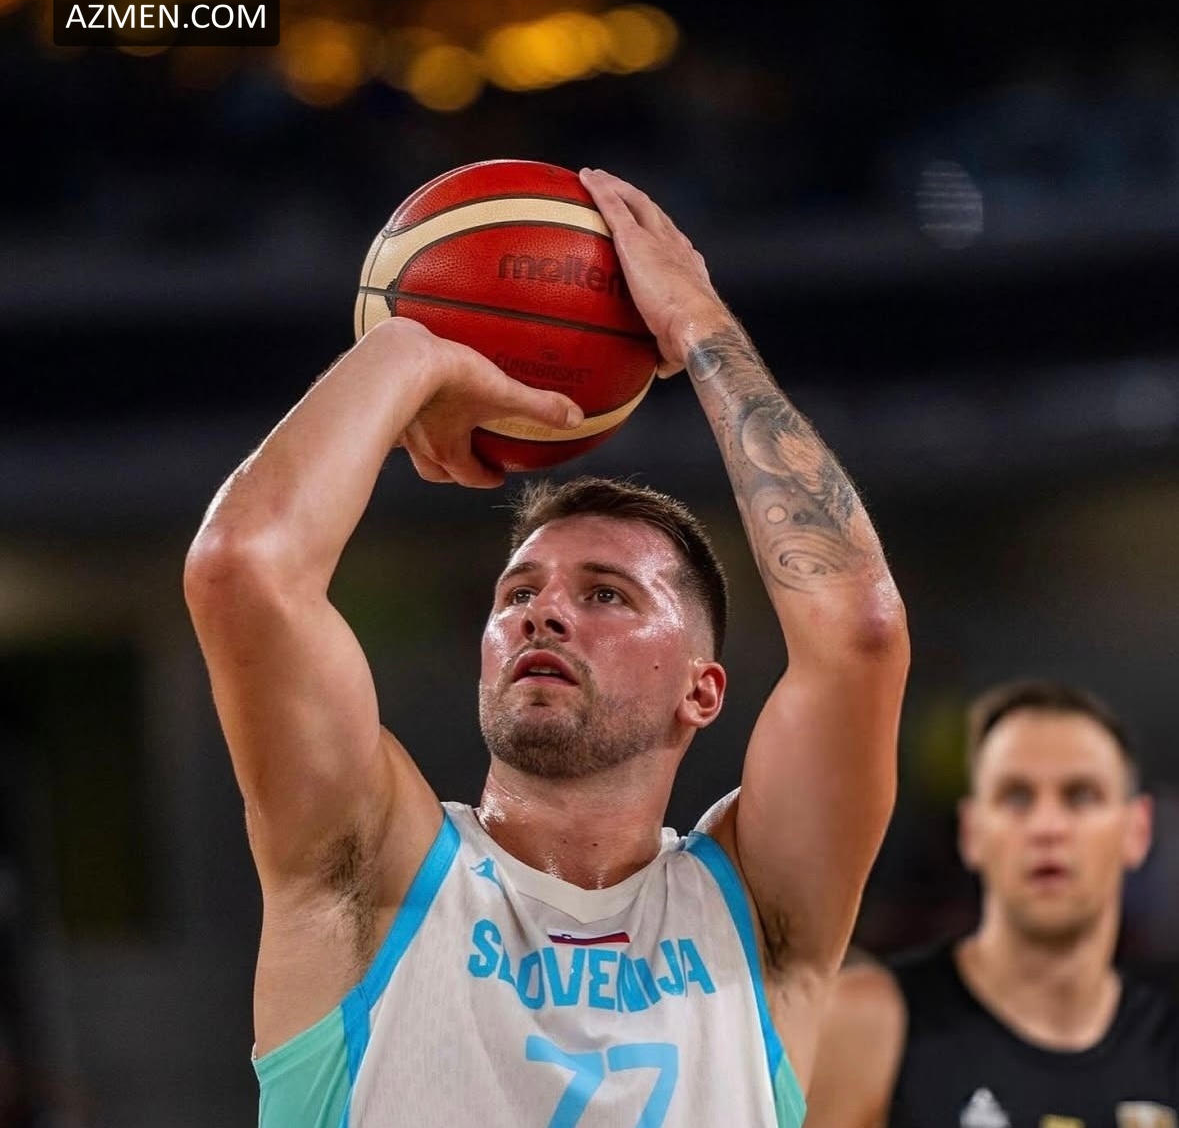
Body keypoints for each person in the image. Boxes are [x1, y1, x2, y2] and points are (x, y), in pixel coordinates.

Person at [182, 166, 910, 1127]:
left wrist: (701, 327)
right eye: (517, 593)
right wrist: (407, 348)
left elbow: (857, 629)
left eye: (605, 593)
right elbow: (245, 567)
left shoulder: (757, 912)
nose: (543, 613)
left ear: (702, 690)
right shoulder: (371, 868)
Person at [806, 677, 1179, 1128]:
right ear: (971, 831)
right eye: (1016, 796)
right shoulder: (867, 1026)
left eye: (1081, 796)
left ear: (1138, 829)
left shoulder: (1168, 1047)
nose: (1047, 827)